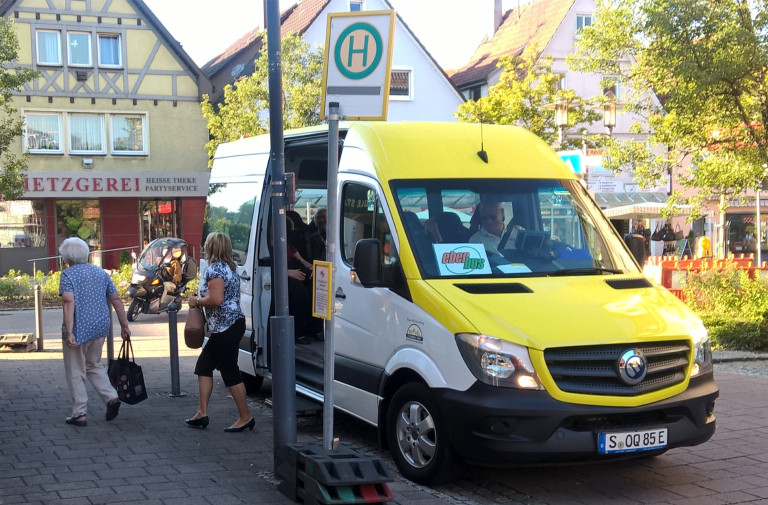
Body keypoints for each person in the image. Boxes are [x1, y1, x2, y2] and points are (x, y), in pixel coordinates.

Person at [58, 237, 131, 427]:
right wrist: (124, 325)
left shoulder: (68, 275)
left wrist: (69, 331)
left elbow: (68, 301)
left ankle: (79, 413)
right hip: (100, 327)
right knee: (94, 365)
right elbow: (116, 299)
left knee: (76, 370)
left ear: (67, 258)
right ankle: (111, 397)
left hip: (78, 328)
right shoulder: (101, 273)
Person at [187, 233, 254, 432]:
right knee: (204, 366)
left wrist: (197, 301)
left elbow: (216, 299)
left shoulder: (214, 269)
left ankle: (246, 416)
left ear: (211, 248)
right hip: (229, 325)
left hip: (226, 326)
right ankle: (202, 413)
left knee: (229, 370)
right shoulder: (231, 269)